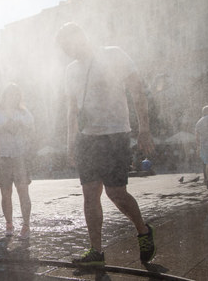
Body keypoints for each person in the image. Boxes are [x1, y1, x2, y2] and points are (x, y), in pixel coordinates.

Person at [57, 22, 156, 265]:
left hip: (115, 134)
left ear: (82, 36)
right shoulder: (70, 70)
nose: (69, 50)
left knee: (116, 193)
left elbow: (137, 89)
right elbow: (72, 110)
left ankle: (143, 230)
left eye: (70, 43)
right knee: (90, 194)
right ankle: (96, 252)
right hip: (86, 139)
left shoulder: (113, 54)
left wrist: (144, 128)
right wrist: (70, 143)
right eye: (64, 47)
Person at [0, 83, 35, 239]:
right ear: (5, 96)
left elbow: (33, 133)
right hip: (3, 157)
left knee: (23, 192)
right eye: (10, 94)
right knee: (6, 194)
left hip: (20, 156)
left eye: (16, 94)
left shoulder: (25, 113)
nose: (13, 97)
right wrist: (5, 126)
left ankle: (26, 225)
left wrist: (22, 128)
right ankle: (9, 223)